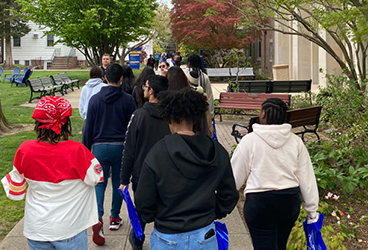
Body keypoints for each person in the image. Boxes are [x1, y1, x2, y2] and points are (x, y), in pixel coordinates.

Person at [135, 89, 239, 250]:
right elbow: (230, 194)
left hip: (167, 234)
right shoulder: (217, 151)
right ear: (195, 119)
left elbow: (143, 200)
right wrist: (213, 212)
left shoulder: (157, 153)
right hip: (205, 233)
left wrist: (153, 216)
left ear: (169, 119)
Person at [1, 96, 104, 249]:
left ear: (38, 123)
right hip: (69, 229)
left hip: (37, 228)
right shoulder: (78, 151)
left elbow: (15, 191)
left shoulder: (25, 150)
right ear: (66, 123)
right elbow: (96, 178)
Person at [230, 98, 319, 250]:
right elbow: (307, 178)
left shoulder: (249, 141)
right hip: (288, 203)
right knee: (280, 245)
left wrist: (222, 200)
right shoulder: (296, 142)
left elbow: (234, 178)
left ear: (263, 114)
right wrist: (312, 210)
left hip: (260, 204)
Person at [82, 63, 137, 245]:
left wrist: (86, 149)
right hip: (120, 146)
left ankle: (98, 217)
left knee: (99, 184)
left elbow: (88, 128)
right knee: (119, 183)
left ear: (105, 77)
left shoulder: (95, 100)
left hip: (99, 146)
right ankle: (115, 217)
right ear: (121, 78)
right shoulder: (128, 100)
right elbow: (132, 127)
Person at [120, 75, 170, 249]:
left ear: (152, 91)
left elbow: (129, 149)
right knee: (164, 211)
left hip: (142, 175)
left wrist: (123, 180)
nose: (143, 89)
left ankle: (137, 240)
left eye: (146, 86)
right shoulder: (172, 117)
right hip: (168, 175)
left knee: (141, 212)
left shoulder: (139, 116)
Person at [187, 54, 214, 121]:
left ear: (189, 63)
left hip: (188, 111)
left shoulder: (186, 76)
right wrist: (211, 114)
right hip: (202, 111)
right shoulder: (204, 77)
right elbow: (209, 96)